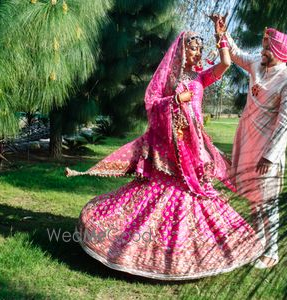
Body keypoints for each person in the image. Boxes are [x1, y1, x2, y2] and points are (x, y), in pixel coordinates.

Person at [65, 31, 263, 280]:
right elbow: (151, 101)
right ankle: (133, 244)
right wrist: (175, 100)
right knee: (163, 190)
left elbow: (225, 63)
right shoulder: (169, 78)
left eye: (200, 49)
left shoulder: (201, 78)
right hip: (170, 147)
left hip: (194, 146)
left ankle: (198, 249)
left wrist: (222, 36)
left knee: (195, 194)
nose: (197, 53)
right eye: (193, 49)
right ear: (182, 51)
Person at [210, 15, 287, 269]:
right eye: (262, 46)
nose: (261, 51)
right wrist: (222, 33)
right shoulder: (255, 65)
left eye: (266, 47)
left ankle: (272, 253)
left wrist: (271, 156)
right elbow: (236, 53)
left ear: (277, 52)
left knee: (268, 201)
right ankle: (258, 244)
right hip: (247, 143)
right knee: (253, 198)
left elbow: (286, 123)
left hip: (267, 152)